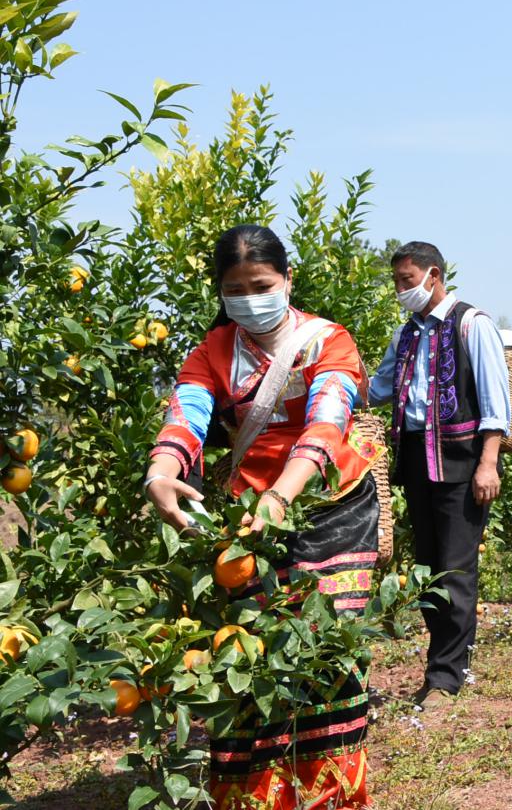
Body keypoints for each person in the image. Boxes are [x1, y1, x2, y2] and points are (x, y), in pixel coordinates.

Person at [144, 224, 381, 809]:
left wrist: (282, 493)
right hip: (252, 521)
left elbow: (327, 422)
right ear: (220, 292)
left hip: (333, 508)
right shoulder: (213, 353)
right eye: (236, 288)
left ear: (287, 280)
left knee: (328, 649)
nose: (250, 297)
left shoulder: (328, 340)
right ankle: (257, 793)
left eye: (262, 284)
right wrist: (162, 470)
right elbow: (187, 414)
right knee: (248, 648)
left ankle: (330, 793)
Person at [367, 241, 510, 709]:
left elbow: (495, 404)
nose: (400, 290)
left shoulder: (472, 324)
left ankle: (445, 677)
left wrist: (488, 463)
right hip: (418, 465)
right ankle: (444, 664)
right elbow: (379, 389)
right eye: (396, 282)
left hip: (462, 464)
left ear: (433, 275)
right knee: (428, 569)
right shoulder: (406, 335)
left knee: (455, 569)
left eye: (406, 281)